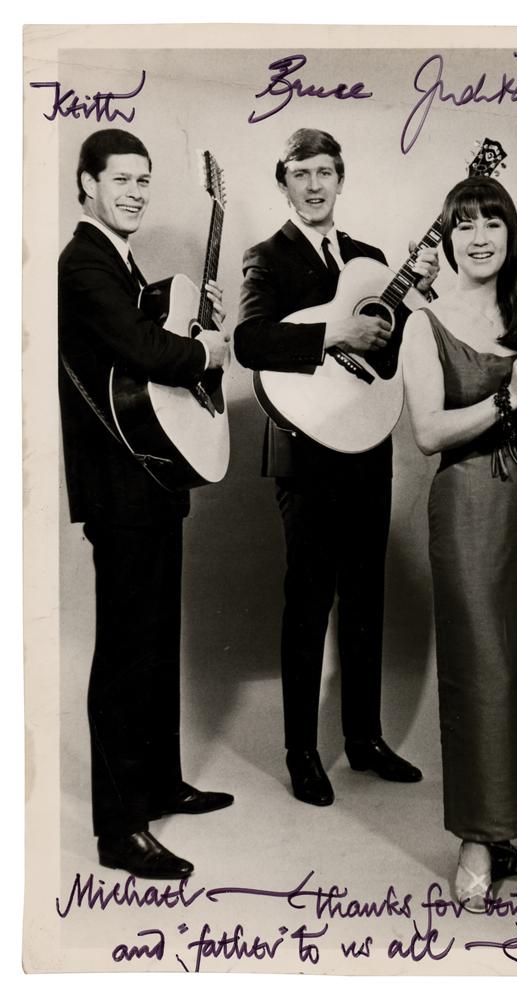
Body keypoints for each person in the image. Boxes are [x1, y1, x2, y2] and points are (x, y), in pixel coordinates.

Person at [234, 128, 439, 807]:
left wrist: (411, 301)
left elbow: (387, 357)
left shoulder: (370, 261)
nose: (315, 184)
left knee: (366, 595)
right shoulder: (267, 257)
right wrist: (333, 334)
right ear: (283, 183)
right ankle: (300, 752)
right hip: (305, 447)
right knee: (309, 600)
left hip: (367, 443)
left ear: (341, 179)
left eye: (326, 171)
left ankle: (365, 738)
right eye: (302, 173)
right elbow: (249, 340)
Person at [59, 128, 234, 879]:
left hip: (153, 477)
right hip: (119, 488)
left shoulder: (123, 264)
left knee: (158, 642)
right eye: (121, 179)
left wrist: (196, 315)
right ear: (87, 184)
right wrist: (207, 350)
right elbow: (143, 352)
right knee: (126, 654)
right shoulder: (82, 262)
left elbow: (148, 335)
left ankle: (160, 784)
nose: (134, 192)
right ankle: (119, 828)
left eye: (144, 181)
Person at [401, 176, 517, 912]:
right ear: (447, 239)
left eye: (492, 223)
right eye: (465, 225)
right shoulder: (423, 323)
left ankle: (508, 826)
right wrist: (511, 396)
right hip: (468, 506)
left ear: (511, 235)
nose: (479, 238)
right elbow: (428, 432)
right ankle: (474, 837)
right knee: (482, 671)